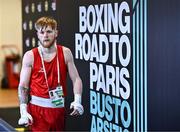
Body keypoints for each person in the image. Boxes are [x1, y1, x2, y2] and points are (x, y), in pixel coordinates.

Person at [18, 16, 84, 131]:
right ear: (38, 34)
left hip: (58, 109)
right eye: (42, 32)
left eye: (49, 31)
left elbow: (76, 79)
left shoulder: (65, 52)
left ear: (56, 33)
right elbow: (23, 85)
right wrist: (23, 110)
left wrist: (77, 100)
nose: (45, 35)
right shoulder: (30, 56)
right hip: (37, 112)